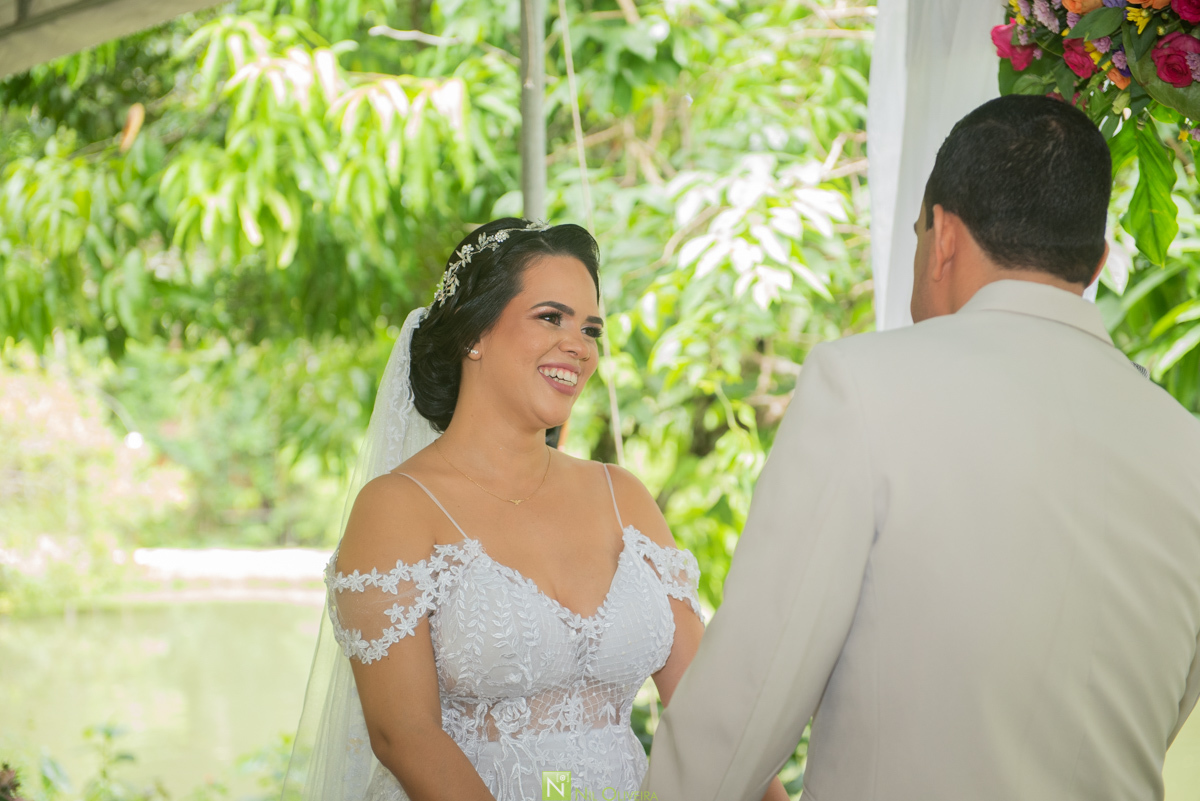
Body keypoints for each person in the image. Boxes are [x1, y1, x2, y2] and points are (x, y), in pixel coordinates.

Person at [641, 95, 1200, 801]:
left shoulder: (861, 388)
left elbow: (745, 700)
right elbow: (1166, 706)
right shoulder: (1187, 448)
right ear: (1096, 262)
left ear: (942, 235)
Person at [281, 219, 789, 801]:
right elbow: (405, 735)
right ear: (474, 333)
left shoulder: (623, 495)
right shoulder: (397, 509)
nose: (579, 345)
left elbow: (706, 706)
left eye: (590, 328)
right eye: (552, 317)